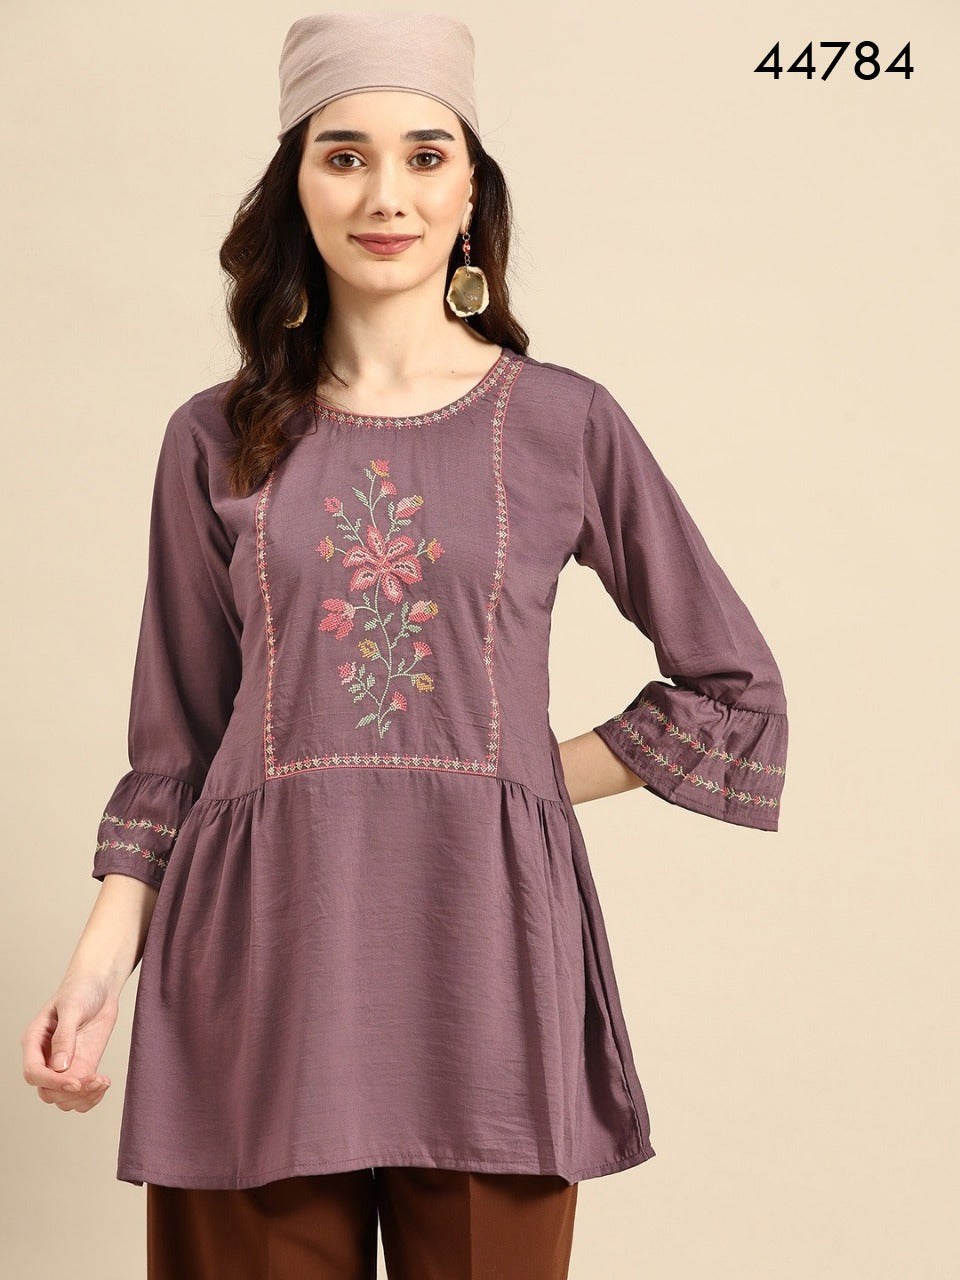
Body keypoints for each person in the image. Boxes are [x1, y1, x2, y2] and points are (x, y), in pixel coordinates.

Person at [20, 11, 789, 1279]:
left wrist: (514, 769)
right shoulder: (212, 437)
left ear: (472, 188)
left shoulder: (564, 424)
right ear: (297, 186)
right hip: (257, 965)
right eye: (346, 155)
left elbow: (734, 688)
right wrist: (99, 965)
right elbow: (176, 746)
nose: (387, 194)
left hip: (488, 963)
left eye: (426, 156)